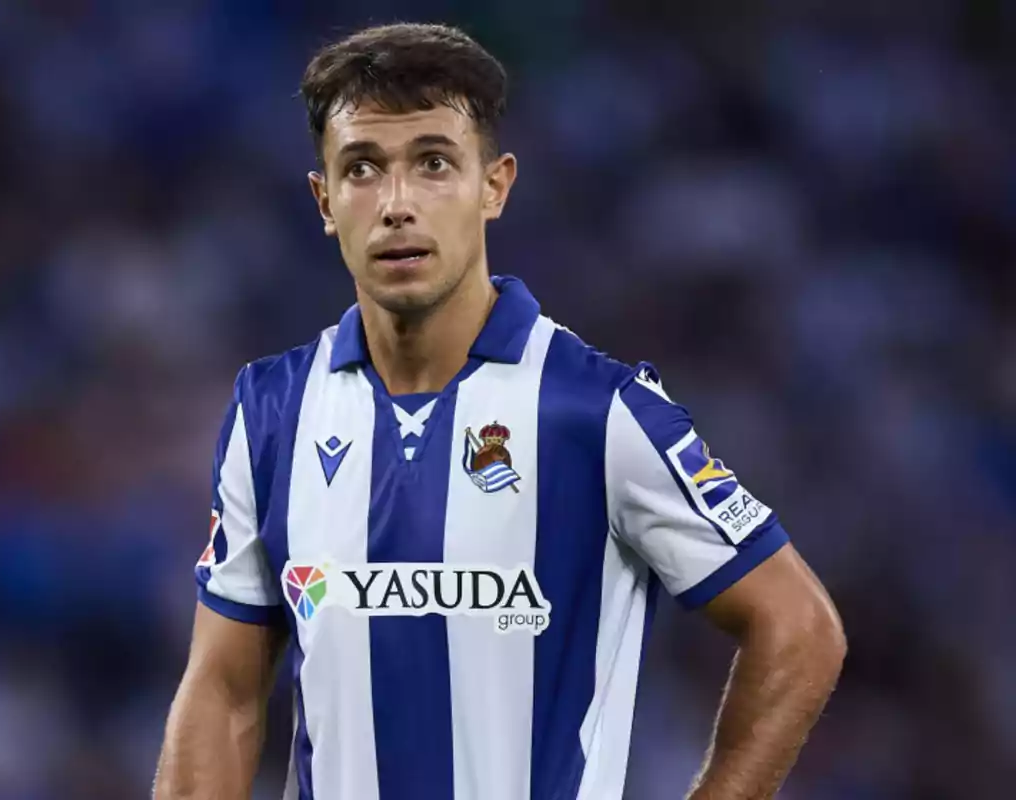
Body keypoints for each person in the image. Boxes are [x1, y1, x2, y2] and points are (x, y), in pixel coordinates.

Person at [153, 22, 845, 800]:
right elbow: (222, 692)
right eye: (362, 169)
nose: (396, 205)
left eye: (434, 164)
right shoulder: (272, 411)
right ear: (324, 199)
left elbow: (799, 628)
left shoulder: (595, 411)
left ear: (496, 184)